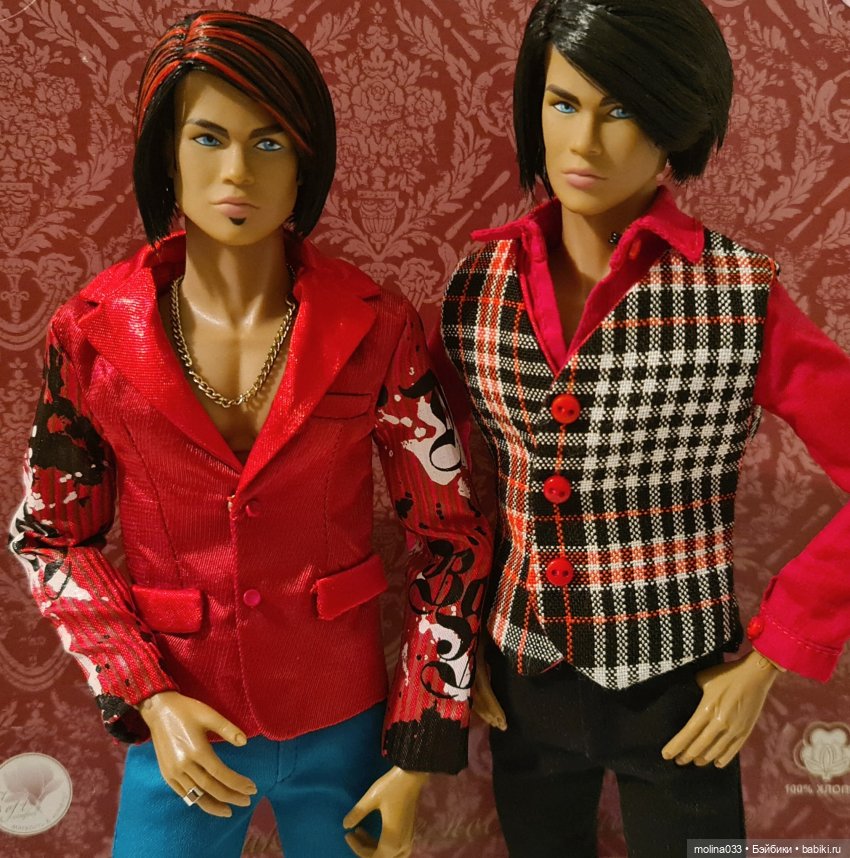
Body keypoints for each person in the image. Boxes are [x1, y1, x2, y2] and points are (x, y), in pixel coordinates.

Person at [9, 11, 490, 858]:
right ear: (167, 155)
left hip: (343, 721)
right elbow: (51, 536)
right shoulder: (92, 335)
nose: (237, 172)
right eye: (208, 138)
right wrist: (147, 693)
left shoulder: (375, 329)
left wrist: (420, 739)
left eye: (270, 143)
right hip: (184, 724)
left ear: (305, 162)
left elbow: (449, 536)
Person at [432, 0, 850, 855]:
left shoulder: (737, 294)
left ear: (674, 123)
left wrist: (772, 656)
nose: (584, 141)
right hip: (522, 681)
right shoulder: (475, 287)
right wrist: (454, 650)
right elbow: (439, 492)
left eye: (620, 109)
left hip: (681, 689)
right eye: (563, 103)